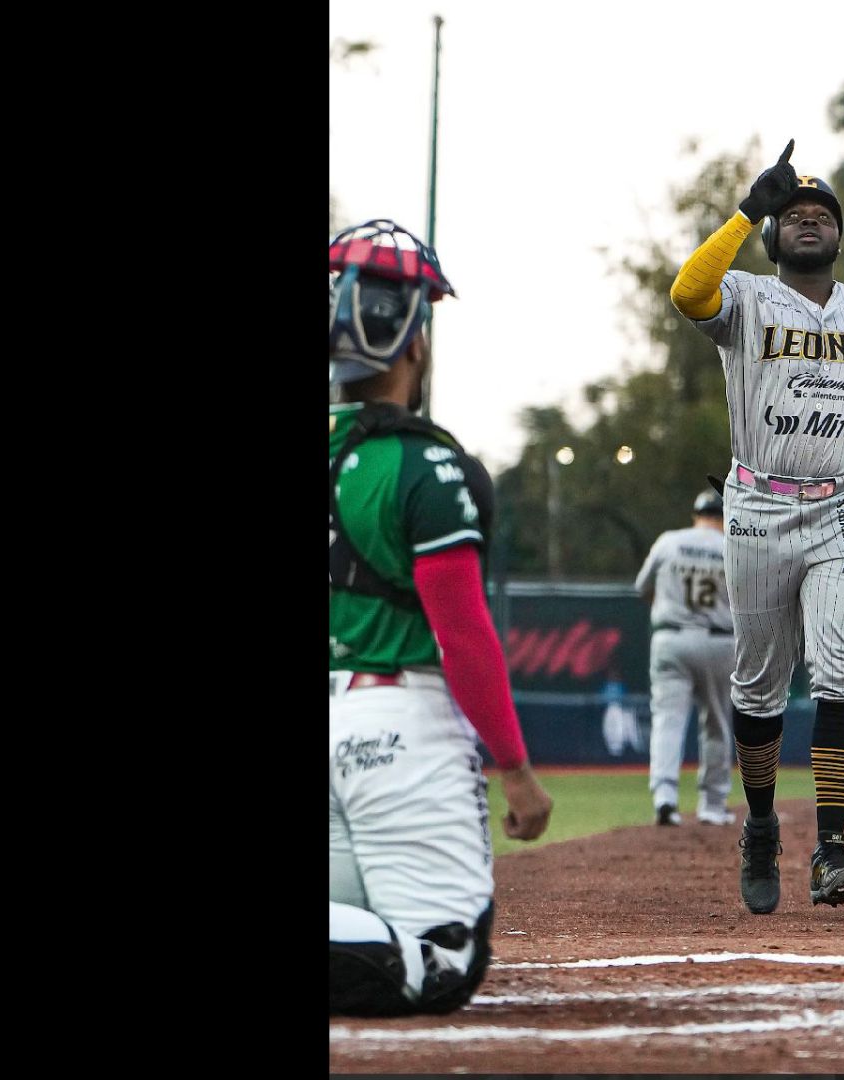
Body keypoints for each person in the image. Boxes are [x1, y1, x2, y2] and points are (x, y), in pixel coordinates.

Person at [668, 139, 844, 913]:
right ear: (773, 232)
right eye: (792, 214)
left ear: (839, 235)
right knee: (760, 683)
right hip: (759, 504)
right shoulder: (747, 297)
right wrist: (742, 213)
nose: (807, 221)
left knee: (840, 669)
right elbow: (685, 293)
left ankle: (832, 844)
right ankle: (761, 826)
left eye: (820, 214)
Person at [329, 219, 553, 1016]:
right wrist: (516, 768)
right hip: (401, 726)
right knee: (440, 961)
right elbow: (461, 630)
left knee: (361, 932)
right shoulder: (424, 462)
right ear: (413, 342)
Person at [635, 489, 737, 827]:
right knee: (717, 723)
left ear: (696, 515)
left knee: (667, 719)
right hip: (718, 641)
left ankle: (665, 797)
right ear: (724, 516)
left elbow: (642, 587)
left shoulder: (669, 542)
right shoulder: (732, 546)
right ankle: (712, 803)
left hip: (671, 637)